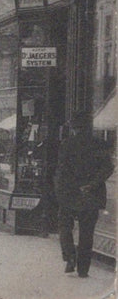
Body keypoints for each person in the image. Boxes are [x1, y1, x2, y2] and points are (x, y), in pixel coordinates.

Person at [54, 111, 114, 278]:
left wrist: (61, 191)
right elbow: (108, 168)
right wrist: (92, 184)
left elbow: (62, 170)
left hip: (70, 194)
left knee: (64, 226)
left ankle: (70, 256)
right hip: (91, 194)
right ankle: (83, 269)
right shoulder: (99, 145)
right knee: (87, 232)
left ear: (74, 127)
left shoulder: (67, 144)